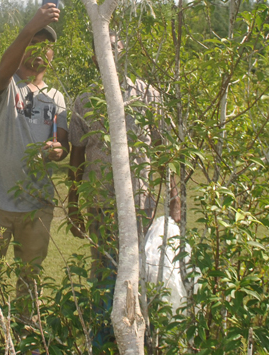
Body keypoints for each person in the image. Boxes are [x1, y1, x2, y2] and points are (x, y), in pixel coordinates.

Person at [67, 32, 180, 347]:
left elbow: (164, 151)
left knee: (141, 272)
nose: (109, 53)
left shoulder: (147, 96)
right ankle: (104, 341)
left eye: (114, 46)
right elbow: (76, 156)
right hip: (101, 206)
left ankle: (142, 338)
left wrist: (174, 200)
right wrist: (73, 204)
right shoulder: (85, 101)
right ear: (95, 57)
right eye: (102, 48)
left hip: (141, 206)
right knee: (105, 272)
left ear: (123, 50)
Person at [0, 3, 69, 344]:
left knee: (30, 280)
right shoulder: (5, 84)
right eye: (33, 44)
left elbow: (62, 143)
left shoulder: (56, 98)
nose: (38, 52)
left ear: (52, 56)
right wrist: (30, 26)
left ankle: (25, 342)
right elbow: (4, 67)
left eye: (45, 46)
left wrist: (58, 150)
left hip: (38, 205)